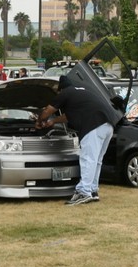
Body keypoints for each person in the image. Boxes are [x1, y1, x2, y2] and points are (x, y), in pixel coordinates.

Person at [36, 75, 115, 205]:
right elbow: (68, 116)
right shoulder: (82, 91)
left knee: (87, 159)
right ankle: (93, 190)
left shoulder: (65, 93)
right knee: (96, 160)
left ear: (60, 89)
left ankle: (84, 192)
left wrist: (40, 121)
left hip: (93, 125)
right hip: (108, 125)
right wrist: (53, 122)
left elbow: (47, 110)